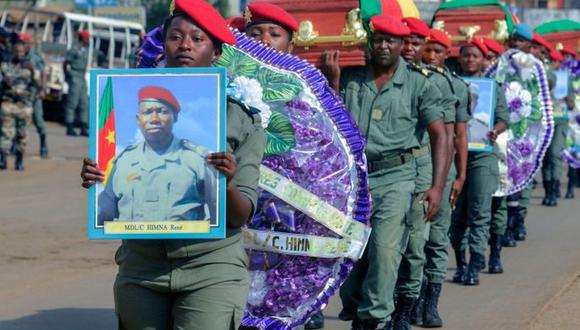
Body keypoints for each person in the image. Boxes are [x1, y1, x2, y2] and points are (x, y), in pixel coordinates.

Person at [80, 0, 265, 328]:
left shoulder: (240, 119)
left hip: (211, 267)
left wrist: (227, 180)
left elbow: (240, 215)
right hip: (142, 268)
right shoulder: (122, 117)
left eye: (198, 39)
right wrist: (98, 179)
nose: (185, 46)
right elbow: (108, 213)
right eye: (175, 37)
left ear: (217, 52)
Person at [322, 14, 447, 330]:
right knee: (350, 253)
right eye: (378, 40)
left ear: (402, 44)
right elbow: (330, 120)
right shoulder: (352, 78)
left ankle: (372, 318)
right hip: (353, 179)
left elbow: (440, 135)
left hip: (396, 178)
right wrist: (334, 81)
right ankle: (354, 307)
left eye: (390, 40)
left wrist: (436, 187)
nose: (383, 46)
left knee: (385, 251)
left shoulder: (419, 84)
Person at [394, 18, 454, 329]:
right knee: (394, 245)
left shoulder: (434, 83)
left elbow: (448, 135)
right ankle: (401, 305)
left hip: (428, 169)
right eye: (403, 41)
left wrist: (445, 181)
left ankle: (423, 304)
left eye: (416, 43)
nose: (409, 48)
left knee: (426, 242)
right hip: (394, 173)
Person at [410, 28, 470, 328]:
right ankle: (411, 300)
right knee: (413, 243)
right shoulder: (410, 78)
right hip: (415, 172)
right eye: (427, 49)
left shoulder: (452, 85)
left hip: (441, 172)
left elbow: (457, 134)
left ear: (446, 54)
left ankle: (430, 303)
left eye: (436, 50)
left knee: (436, 240)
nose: (430, 55)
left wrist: (458, 176)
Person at [97, 86, 217, 226]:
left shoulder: (197, 160)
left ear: (175, 117)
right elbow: (104, 215)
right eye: (147, 112)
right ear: (138, 119)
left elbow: (218, 214)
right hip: (137, 247)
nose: (154, 119)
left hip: (186, 246)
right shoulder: (123, 162)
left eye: (162, 112)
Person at [450, 37, 508, 286]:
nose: (470, 59)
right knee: (456, 214)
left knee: (480, 212)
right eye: (466, 55)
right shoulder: (450, 84)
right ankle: (460, 263)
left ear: (484, 60)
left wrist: (495, 130)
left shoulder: (493, 87)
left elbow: (505, 118)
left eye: (475, 56)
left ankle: (475, 263)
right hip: (452, 156)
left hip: (482, 155)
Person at [502, 23, 535, 247]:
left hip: (524, 131)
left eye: (521, 42)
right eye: (514, 41)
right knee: (504, 177)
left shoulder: (534, 68)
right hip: (504, 130)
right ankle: (505, 227)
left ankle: (517, 221)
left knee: (521, 177)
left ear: (529, 45)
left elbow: (542, 93)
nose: (516, 45)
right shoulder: (502, 64)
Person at [0, 40, 38, 171]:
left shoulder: (30, 66)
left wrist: (33, 71)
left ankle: (19, 160)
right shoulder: (5, 65)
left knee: (22, 134)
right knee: (5, 133)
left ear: (25, 52)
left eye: (21, 52)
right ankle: (3, 160)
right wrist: (4, 81)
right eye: (16, 52)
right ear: (13, 52)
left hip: (24, 105)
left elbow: (37, 83)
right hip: (8, 104)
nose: (19, 54)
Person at [19, 32, 49, 158]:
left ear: (27, 43)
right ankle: (15, 147)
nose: (20, 45)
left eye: (22, 42)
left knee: (38, 120)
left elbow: (43, 73)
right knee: (20, 121)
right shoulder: (16, 54)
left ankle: (43, 144)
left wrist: (43, 89)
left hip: (34, 93)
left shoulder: (35, 57)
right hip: (20, 93)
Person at [63, 30, 90, 137]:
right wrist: (68, 76)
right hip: (75, 76)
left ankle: (84, 126)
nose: (88, 40)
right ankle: (70, 126)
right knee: (72, 103)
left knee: (84, 103)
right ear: (82, 38)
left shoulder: (85, 49)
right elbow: (66, 63)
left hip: (82, 76)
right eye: (87, 38)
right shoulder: (74, 49)